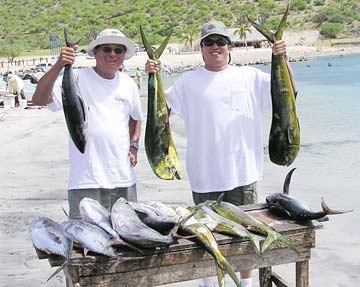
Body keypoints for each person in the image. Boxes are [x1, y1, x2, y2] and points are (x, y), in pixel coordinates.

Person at [145, 20, 297, 287]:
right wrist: (152, 73)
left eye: (220, 42)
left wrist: (282, 58)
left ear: (230, 47)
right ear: (201, 48)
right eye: (209, 42)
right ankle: (210, 283)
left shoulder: (249, 76)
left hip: (244, 173)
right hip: (205, 176)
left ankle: (246, 284)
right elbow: (160, 114)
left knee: (246, 236)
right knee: (205, 236)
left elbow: (289, 93)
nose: (215, 47)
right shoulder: (187, 82)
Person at [32, 29, 143, 219]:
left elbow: (136, 117)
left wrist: (134, 146)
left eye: (118, 50)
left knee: (127, 241)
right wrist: (60, 65)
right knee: (87, 244)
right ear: (96, 53)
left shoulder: (128, 83)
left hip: (123, 178)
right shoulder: (77, 78)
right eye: (106, 49)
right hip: (86, 181)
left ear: (124, 55)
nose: (112, 54)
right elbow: (40, 99)